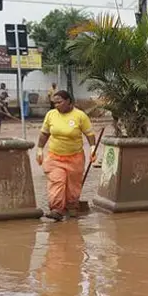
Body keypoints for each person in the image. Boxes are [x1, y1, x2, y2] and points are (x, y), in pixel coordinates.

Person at [36, 90, 96, 220]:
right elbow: (44, 133)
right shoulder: (51, 115)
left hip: (75, 157)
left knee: (73, 186)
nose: (56, 105)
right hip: (55, 157)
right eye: (54, 103)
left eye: (59, 102)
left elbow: (89, 134)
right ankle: (57, 209)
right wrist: (39, 149)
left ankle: (72, 206)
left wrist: (92, 148)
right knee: (57, 181)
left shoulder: (80, 116)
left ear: (68, 101)